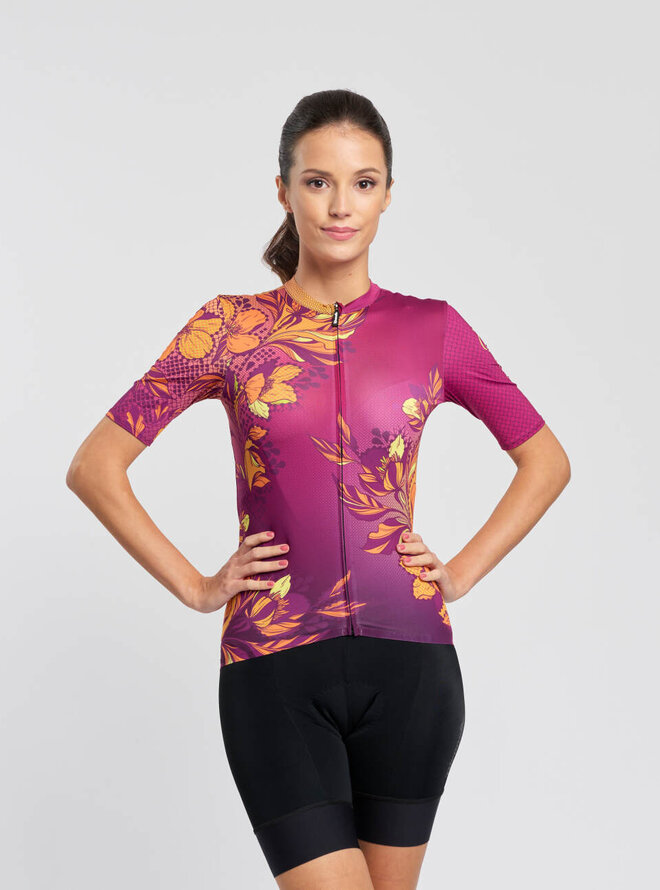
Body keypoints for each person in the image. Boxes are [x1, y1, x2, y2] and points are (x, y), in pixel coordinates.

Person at [66, 88, 571, 890]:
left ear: (388, 194)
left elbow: (546, 460)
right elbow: (95, 466)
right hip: (273, 667)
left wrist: (461, 572)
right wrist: (197, 586)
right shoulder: (228, 329)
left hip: (412, 671)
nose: (341, 206)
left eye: (363, 183)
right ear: (283, 190)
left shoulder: (434, 329)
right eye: (318, 182)